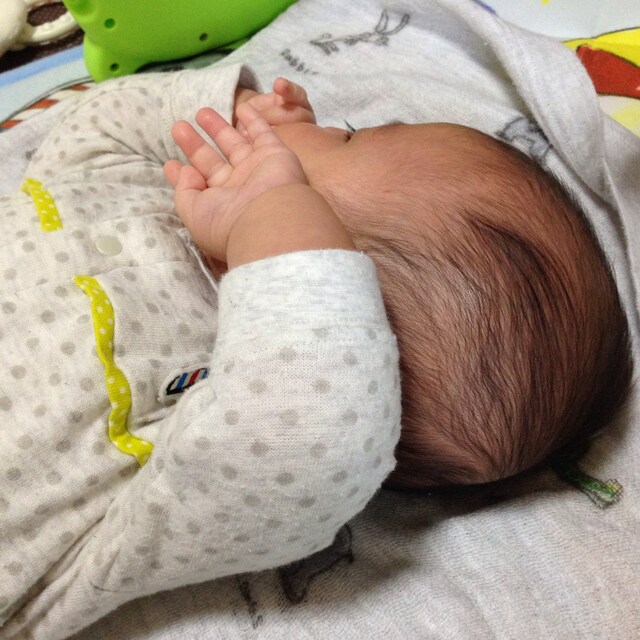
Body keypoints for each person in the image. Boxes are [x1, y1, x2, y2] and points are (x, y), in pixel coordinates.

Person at [0, 31, 632, 640]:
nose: (328, 124)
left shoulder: (212, 436)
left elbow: (315, 425)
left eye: (350, 137)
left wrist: (269, 217)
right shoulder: (140, 186)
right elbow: (95, 127)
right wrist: (227, 112)